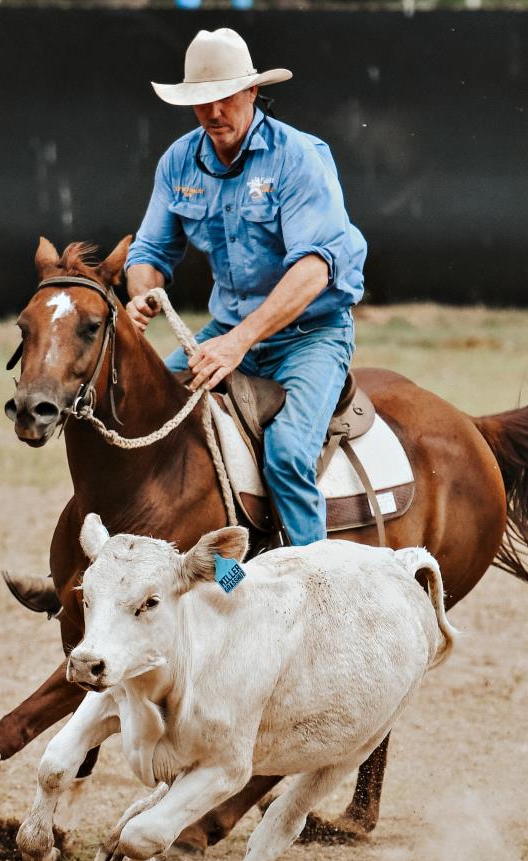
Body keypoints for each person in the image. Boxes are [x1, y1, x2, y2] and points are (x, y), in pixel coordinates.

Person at [125, 28, 367, 546]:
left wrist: (238, 341)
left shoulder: (296, 157)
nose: (214, 112)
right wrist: (143, 291)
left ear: (253, 91)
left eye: (226, 97)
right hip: (229, 332)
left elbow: (315, 268)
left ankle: (312, 582)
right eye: (201, 101)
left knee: (287, 456)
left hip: (310, 337)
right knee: (140, 417)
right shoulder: (178, 163)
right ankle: (142, 566)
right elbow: (148, 254)